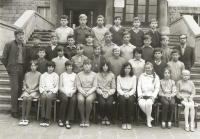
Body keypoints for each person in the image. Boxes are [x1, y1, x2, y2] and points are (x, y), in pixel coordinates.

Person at [1, 29, 28, 118]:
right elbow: (4, 58)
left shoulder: (24, 45)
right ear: (15, 36)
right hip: (13, 68)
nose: (21, 36)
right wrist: (9, 67)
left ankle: (18, 109)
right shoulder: (9, 44)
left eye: (22, 34)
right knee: (15, 89)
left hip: (21, 68)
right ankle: (14, 110)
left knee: (20, 89)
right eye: (19, 34)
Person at [137, 62, 160, 128]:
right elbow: (139, 86)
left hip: (151, 95)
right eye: (146, 68)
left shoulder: (156, 76)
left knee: (149, 103)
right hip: (143, 95)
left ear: (152, 68)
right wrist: (140, 95)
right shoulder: (142, 75)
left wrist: (153, 96)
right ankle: (150, 117)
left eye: (149, 68)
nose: (147, 69)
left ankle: (148, 121)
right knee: (141, 103)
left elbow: (157, 88)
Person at [19, 60, 41, 126]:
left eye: (34, 66)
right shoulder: (27, 74)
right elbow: (24, 83)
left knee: (29, 99)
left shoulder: (39, 74)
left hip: (34, 91)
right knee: (24, 99)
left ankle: (26, 117)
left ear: (37, 66)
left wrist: (34, 90)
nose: (33, 67)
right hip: (27, 90)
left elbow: (40, 85)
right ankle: (22, 117)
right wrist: (26, 89)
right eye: (32, 66)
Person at [76, 59, 97, 127]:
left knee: (88, 100)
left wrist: (89, 92)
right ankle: (83, 119)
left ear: (91, 66)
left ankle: (87, 119)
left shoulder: (94, 74)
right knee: (80, 100)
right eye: (85, 64)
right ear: (83, 66)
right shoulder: (79, 74)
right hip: (81, 91)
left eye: (88, 64)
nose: (87, 66)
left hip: (91, 92)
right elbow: (78, 86)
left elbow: (94, 86)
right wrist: (83, 92)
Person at [117, 62, 137, 130]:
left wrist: (129, 94)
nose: (127, 70)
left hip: (131, 93)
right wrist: (123, 94)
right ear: (123, 69)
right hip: (121, 93)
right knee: (122, 101)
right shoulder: (119, 77)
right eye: (126, 68)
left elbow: (134, 88)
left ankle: (129, 122)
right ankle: (123, 122)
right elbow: (118, 89)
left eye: (129, 68)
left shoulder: (134, 77)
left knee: (130, 101)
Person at [39, 61, 59, 127]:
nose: (50, 69)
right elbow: (40, 86)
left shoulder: (56, 76)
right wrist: (43, 91)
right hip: (44, 91)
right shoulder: (43, 75)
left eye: (52, 67)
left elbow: (56, 86)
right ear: (47, 67)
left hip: (52, 91)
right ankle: (42, 117)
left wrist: (52, 91)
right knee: (43, 98)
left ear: (54, 68)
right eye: (49, 67)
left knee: (49, 98)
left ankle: (47, 118)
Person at [58, 60, 77, 129]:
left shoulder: (75, 75)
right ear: (65, 67)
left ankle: (68, 120)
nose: (69, 67)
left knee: (73, 100)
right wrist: (66, 93)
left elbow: (75, 88)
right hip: (63, 92)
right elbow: (60, 87)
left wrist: (72, 93)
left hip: (72, 92)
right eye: (68, 66)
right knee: (65, 99)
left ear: (72, 67)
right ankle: (61, 119)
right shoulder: (62, 75)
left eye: (71, 66)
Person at [96, 61, 116, 125]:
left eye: (106, 66)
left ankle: (107, 117)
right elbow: (96, 87)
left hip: (109, 92)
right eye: (103, 66)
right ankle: (102, 117)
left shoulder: (112, 75)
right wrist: (101, 93)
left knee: (109, 103)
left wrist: (108, 93)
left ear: (108, 67)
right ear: (101, 66)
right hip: (100, 92)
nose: (105, 67)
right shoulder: (97, 75)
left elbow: (113, 87)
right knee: (102, 103)